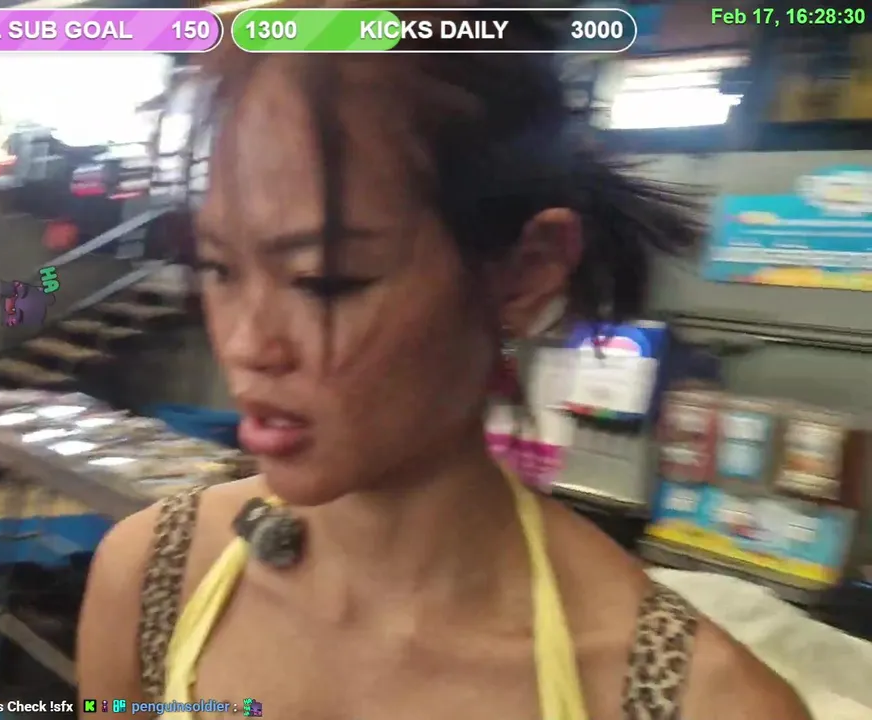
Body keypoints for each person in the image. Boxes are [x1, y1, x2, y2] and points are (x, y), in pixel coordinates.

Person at [76, 5, 813, 719]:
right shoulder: (152, 578)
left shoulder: (688, 699)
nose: (245, 345)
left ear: (524, 274)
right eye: (218, 268)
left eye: (325, 281)